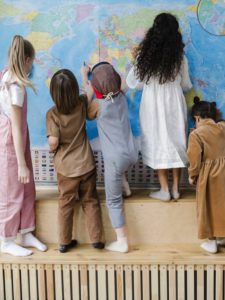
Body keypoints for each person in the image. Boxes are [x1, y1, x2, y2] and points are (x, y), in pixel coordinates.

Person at [126, 13, 192, 201]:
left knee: (157, 141)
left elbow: (133, 83)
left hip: (152, 104)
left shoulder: (145, 57)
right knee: (176, 140)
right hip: (174, 102)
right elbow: (186, 84)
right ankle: (176, 189)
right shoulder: (180, 57)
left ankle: (164, 190)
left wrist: (135, 58)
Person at [81, 62, 138, 253]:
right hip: (131, 152)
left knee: (113, 201)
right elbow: (120, 80)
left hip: (115, 159)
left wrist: (85, 78)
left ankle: (122, 241)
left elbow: (85, 107)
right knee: (118, 170)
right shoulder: (120, 95)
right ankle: (127, 189)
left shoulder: (97, 106)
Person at [46, 69, 104, 253]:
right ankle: (97, 240)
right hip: (86, 164)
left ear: (53, 94)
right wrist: (84, 75)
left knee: (65, 203)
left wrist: (52, 146)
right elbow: (89, 91)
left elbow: (53, 142)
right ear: (74, 90)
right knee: (90, 201)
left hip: (66, 169)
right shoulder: (81, 103)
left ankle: (64, 242)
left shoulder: (52, 114)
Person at [0, 35, 47, 256]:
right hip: (11, 141)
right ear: (27, 60)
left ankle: (26, 231)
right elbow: (16, 128)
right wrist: (20, 163)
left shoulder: (8, 73)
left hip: (20, 138)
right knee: (11, 191)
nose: (32, 67)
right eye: (32, 62)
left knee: (28, 187)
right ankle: (6, 239)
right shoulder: (15, 86)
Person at [187, 96, 225, 254]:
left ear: (197, 117)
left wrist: (192, 175)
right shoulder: (222, 126)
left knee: (207, 207)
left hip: (209, 176)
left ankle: (211, 242)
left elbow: (194, 160)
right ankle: (223, 236)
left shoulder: (196, 134)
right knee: (222, 205)